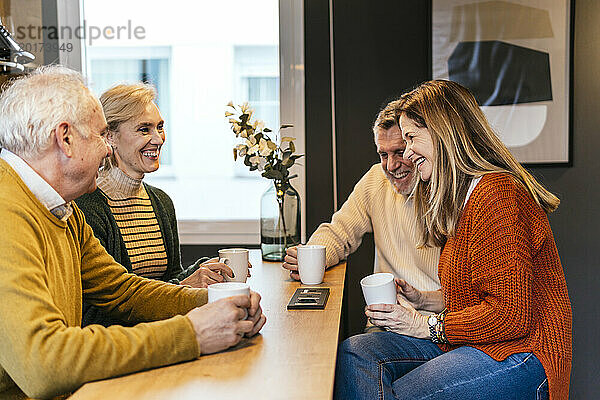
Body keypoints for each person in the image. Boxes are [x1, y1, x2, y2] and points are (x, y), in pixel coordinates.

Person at [0, 65, 266, 399]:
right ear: (65, 139)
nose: (106, 149)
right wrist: (193, 332)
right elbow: (43, 363)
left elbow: (124, 291)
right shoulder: (7, 211)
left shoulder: (63, 209)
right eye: (99, 135)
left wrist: (217, 301)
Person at [334, 80, 572, 400]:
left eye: (411, 138)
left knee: (402, 393)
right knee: (356, 352)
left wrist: (423, 324)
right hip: (474, 341)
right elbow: (475, 295)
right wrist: (423, 299)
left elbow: (510, 317)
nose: (407, 151)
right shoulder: (463, 199)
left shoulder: (497, 194)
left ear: (442, 131)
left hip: (520, 353)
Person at [75, 83, 236, 326]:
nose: (158, 139)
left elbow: (170, 276)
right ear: (110, 136)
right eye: (144, 129)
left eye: (160, 127)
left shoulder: (160, 202)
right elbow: (98, 312)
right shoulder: (87, 207)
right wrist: (182, 287)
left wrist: (201, 269)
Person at [283, 99, 440, 293]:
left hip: (438, 318)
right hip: (386, 314)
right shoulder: (376, 179)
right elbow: (339, 231)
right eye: (383, 155)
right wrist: (313, 257)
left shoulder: (447, 191)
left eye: (400, 152)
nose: (391, 166)